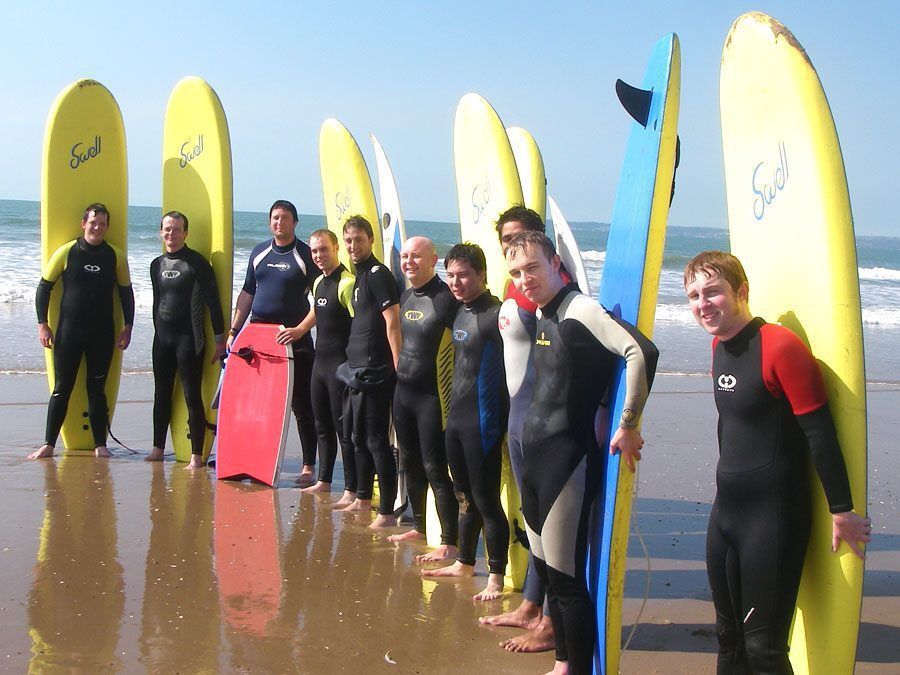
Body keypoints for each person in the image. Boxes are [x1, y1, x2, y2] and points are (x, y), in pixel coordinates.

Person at [683, 250, 871, 674]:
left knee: (764, 649)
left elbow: (819, 432)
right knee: (728, 637)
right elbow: (729, 428)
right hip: (726, 513)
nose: (702, 304)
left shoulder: (779, 346)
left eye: (713, 292)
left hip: (772, 518)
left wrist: (841, 510)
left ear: (742, 291)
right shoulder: (719, 345)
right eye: (694, 295)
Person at [506, 231, 658, 675]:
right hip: (535, 460)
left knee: (568, 579)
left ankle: (569, 668)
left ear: (555, 263)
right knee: (552, 573)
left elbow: (640, 351)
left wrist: (628, 424)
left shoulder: (582, 310)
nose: (525, 278)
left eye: (533, 267)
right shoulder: (543, 313)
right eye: (517, 272)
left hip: (566, 462)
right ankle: (562, 660)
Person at [479, 205, 556, 653]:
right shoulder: (514, 283)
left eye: (522, 236)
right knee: (530, 518)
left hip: (542, 419)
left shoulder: (548, 289)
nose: (514, 244)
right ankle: (530, 604)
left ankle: (548, 619)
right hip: (517, 415)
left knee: (547, 523)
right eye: (507, 239)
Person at [421, 243, 509, 601]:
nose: (456, 282)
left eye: (464, 275)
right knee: (465, 497)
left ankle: (497, 577)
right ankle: (466, 562)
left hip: (484, 422)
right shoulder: (458, 311)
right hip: (456, 420)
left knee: (486, 499)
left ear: (482, 275)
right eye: (451, 275)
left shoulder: (497, 315)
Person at [30, 203, 135, 459]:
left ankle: (101, 445)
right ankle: (49, 444)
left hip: (102, 335)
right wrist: (42, 323)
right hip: (69, 334)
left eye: (102, 224)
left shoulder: (115, 256)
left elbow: (126, 293)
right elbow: (44, 287)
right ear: (83, 224)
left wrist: (128, 327)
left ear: (107, 227)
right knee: (61, 389)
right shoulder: (67, 252)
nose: (97, 227)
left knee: (97, 391)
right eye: (92, 222)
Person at [226, 200, 320, 484]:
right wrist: (234, 330)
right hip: (259, 339)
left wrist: (301, 330)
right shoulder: (259, 253)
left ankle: (308, 466)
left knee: (302, 405)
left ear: (295, 222)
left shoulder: (305, 254)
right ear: (270, 222)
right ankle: (254, 459)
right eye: (275, 218)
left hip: (294, 338)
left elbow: (322, 298)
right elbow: (247, 293)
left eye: (285, 218)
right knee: (258, 403)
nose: (280, 223)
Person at [385, 236, 460, 562]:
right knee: (410, 462)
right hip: (404, 393)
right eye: (404, 256)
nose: (409, 262)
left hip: (433, 396)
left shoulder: (446, 300)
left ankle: (449, 541)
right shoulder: (406, 295)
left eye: (416, 256)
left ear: (434, 259)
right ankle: (419, 525)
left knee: (435, 467)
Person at [146, 211, 226, 470]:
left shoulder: (197, 263)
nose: (171, 234)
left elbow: (214, 304)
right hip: (162, 340)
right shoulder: (156, 264)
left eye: (177, 229)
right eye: (167, 229)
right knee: (161, 394)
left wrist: (220, 340)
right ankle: (158, 448)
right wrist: (157, 331)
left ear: (185, 233)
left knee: (192, 396)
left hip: (189, 340)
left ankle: (196, 456)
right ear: (161, 232)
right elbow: (158, 302)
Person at [337, 215, 402, 528]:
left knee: (375, 440)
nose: (352, 246)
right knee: (356, 436)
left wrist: (397, 364)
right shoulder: (359, 276)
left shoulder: (377, 274)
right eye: (348, 240)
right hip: (355, 370)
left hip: (376, 371)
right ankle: (363, 498)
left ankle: (387, 511)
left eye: (358, 240)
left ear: (370, 240)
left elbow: (393, 321)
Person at [293, 229, 357, 506]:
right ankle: (324, 480)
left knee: (343, 430)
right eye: (315, 251)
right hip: (320, 363)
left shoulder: (347, 282)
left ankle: (351, 489)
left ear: (336, 248)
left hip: (339, 366)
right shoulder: (319, 281)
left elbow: (359, 324)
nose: (319, 256)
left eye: (324, 250)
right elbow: (318, 312)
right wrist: (299, 329)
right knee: (321, 425)